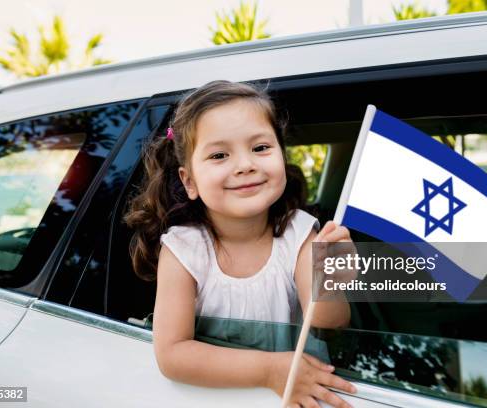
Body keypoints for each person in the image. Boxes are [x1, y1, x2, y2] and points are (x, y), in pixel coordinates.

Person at [124, 80, 356, 408]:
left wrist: (330, 280)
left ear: (281, 156)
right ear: (189, 181)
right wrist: (268, 371)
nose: (245, 165)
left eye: (260, 148)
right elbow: (172, 355)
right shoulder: (184, 250)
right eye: (220, 155)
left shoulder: (300, 235)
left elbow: (329, 323)